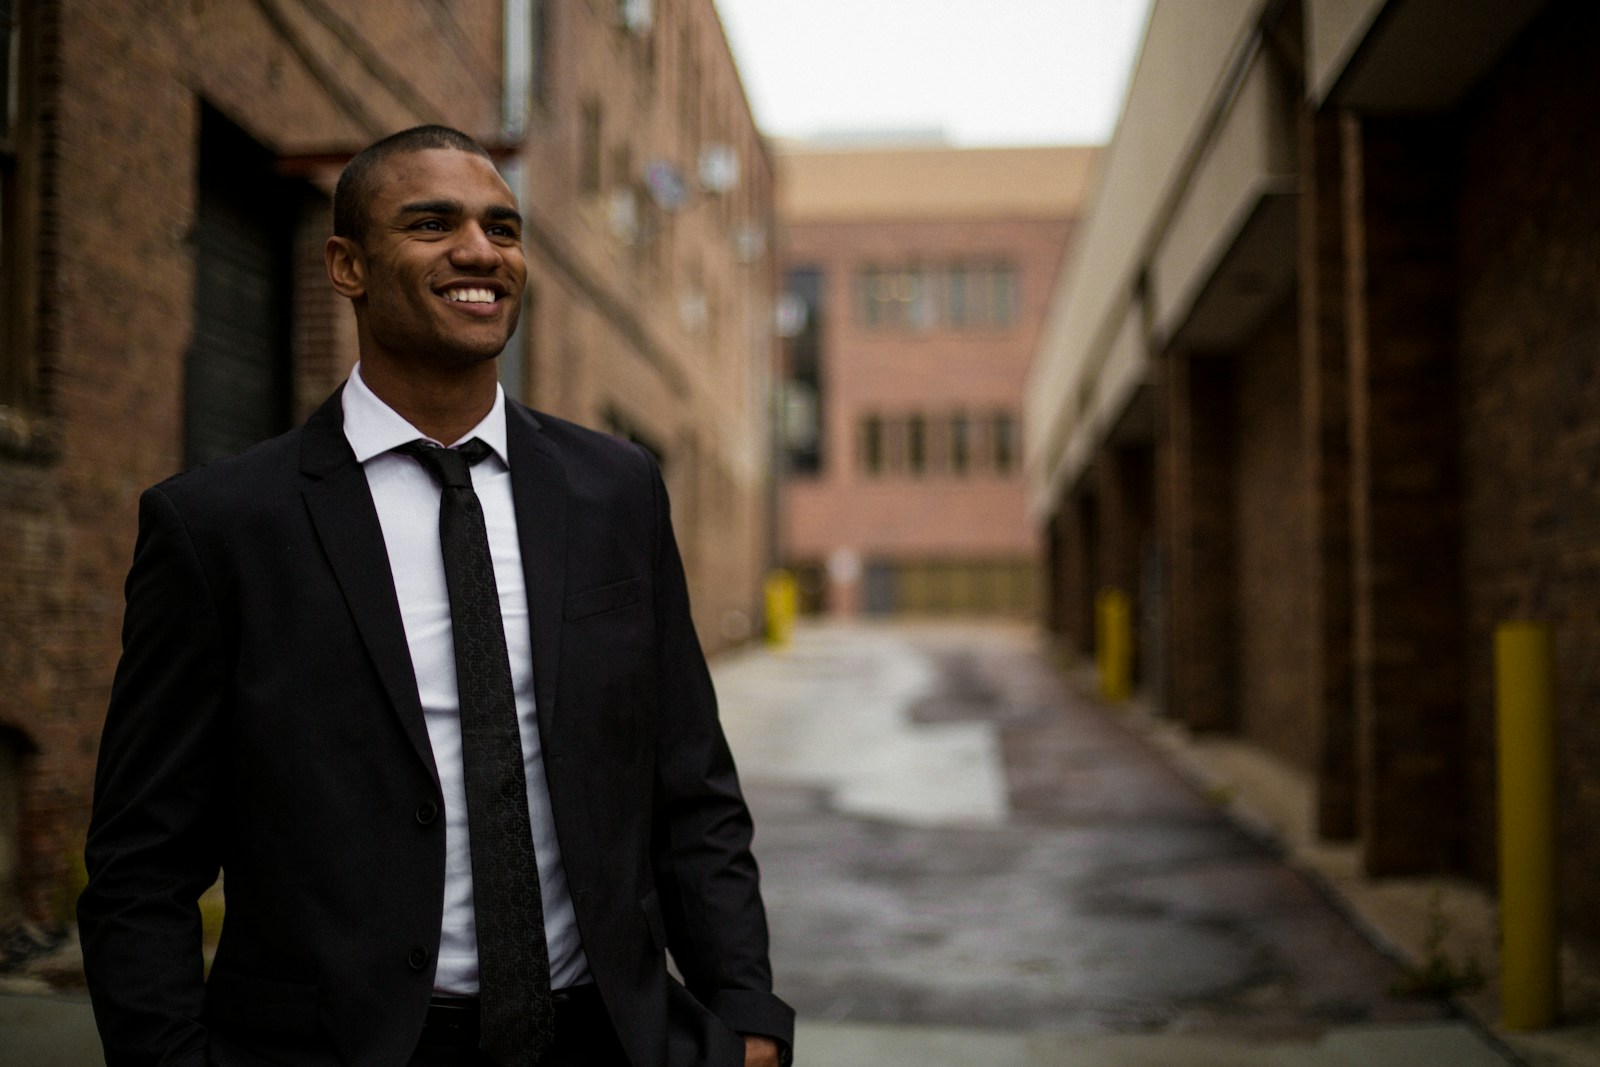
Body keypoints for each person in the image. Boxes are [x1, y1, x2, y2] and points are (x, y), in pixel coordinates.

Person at [78, 125, 793, 1067]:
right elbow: (142, 858)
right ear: (348, 265)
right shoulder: (219, 527)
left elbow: (691, 784)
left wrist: (745, 1015)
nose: (480, 251)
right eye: (431, 223)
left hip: (603, 1036)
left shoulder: (615, 491)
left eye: (504, 227)